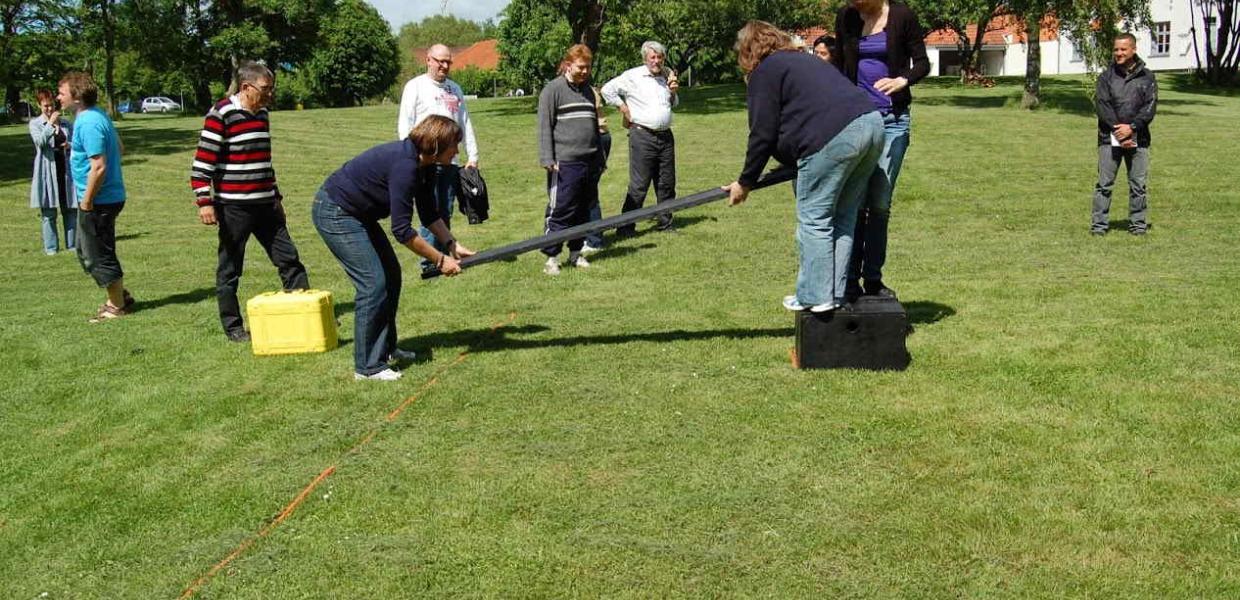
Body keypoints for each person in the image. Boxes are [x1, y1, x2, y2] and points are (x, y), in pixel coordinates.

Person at [724, 21, 883, 313]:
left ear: (749, 50)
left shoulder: (765, 71)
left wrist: (745, 182)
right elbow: (798, 123)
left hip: (837, 135)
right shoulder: (803, 60)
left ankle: (815, 295)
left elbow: (763, 133)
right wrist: (756, 175)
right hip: (872, 125)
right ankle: (833, 294)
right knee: (843, 216)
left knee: (815, 218)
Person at [312, 115, 475, 381]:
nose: (457, 151)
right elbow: (402, 231)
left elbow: (428, 212)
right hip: (335, 212)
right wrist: (439, 260)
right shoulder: (405, 166)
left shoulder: (426, 165)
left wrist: (451, 244)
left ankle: (385, 350)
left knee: (391, 276)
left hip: (358, 214)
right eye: (453, 146)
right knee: (373, 283)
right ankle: (367, 367)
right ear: (435, 145)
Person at [191, 61, 310, 342]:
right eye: (266, 89)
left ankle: (305, 313)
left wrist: (276, 197)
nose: (270, 94)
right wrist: (204, 202)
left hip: (265, 204)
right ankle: (233, 327)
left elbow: (264, 161)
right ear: (246, 87)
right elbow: (202, 164)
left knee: (289, 260)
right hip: (233, 207)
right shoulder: (221, 114)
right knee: (230, 268)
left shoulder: (263, 114)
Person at [832, 0, 929, 300]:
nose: (854, 3)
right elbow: (838, 65)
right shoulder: (847, 16)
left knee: (880, 204)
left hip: (892, 121)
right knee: (853, 201)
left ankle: (873, 280)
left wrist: (903, 80)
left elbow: (923, 62)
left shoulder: (901, 15)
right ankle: (847, 281)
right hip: (857, 120)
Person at [396, 43, 480, 270]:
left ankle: (445, 254)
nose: (444, 66)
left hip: (450, 161)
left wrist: (472, 155)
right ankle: (430, 261)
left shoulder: (455, 89)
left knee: (445, 209)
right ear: (428, 60)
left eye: (448, 62)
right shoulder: (415, 86)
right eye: (440, 61)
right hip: (424, 161)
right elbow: (405, 124)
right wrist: (410, 158)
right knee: (428, 209)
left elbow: (465, 122)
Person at [58, 71, 134, 322]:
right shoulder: (95, 115)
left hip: (99, 200)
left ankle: (117, 305)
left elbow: (99, 166)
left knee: (98, 252)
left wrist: (87, 200)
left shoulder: (88, 121)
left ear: (76, 97)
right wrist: (77, 149)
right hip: (104, 197)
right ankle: (120, 295)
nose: (59, 97)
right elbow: (119, 148)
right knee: (86, 249)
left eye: (62, 93)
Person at [537, 44, 603, 276]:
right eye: (581, 67)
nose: (585, 72)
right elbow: (545, 125)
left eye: (588, 67)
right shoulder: (552, 90)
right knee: (562, 210)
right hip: (564, 163)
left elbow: (593, 124)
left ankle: (576, 253)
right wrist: (547, 157)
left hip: (589, 161)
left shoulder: (588, 90)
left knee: (583, 210)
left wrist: (599, 157)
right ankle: (551, 258)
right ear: (568, 65)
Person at [601, 40, 679, 236]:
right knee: (639, 184)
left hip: (665, 136)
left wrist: (673, 92)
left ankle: (665, 222)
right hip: (642, 135)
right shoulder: (632, 76)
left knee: (666, 183)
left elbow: (673, 104)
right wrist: (623, 108)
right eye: (652, 57)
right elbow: (606, 90)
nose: (657, 61)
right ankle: (626, 227)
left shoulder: (665, 77)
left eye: (660, 57)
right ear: (645, 59)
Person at [1092, 32, 1157, 236]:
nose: (1118, 53)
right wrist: (1118, 129)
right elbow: (1102, 105)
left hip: (1140, 139)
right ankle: (1099, 227)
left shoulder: (1148, 77)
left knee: (1138, 184)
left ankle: (1138, 226)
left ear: (1133, 50)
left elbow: (1150, 106)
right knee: (1104, 184)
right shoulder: (1105, 77)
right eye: (1116, 49)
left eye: (1123, 49)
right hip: (1108, 139)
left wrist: (1133, 127)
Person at [29, 88, 78, 255]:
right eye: (45, 106)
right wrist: (50, 125)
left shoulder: (66, 124)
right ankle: (51, 248)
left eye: (51, 105)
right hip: (47, 172)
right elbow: (40, 142)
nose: (49, 109)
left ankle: (72, 246)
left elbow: (76, 143)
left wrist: (69, 145)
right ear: (39, 105)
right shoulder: (35, 124)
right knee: (49, 212)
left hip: (65, 171)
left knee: (70, 209)